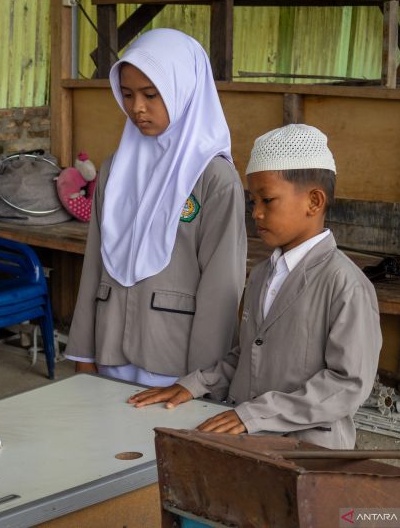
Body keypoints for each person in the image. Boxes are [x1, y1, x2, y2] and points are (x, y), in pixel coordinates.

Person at [129, 124, 382, 449]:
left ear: (314, 201)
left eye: (268, 200)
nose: (257, 213)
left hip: (307, 452)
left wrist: (253, 416)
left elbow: (347, 385)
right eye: (253, 201)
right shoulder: (263, 273)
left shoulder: (346, 286)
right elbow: (249, 353)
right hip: (249, 440)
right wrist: (195, 385)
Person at [65, 29, 247, 387]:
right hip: (109, 347)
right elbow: (94, 263)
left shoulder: (214, 178)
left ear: (184, 91)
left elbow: (222, 287)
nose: (136, 108)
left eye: (151, 94)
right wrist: (84, 354)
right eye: (128, 94)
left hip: (174, 362)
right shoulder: (115, 168)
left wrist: (202, 380)